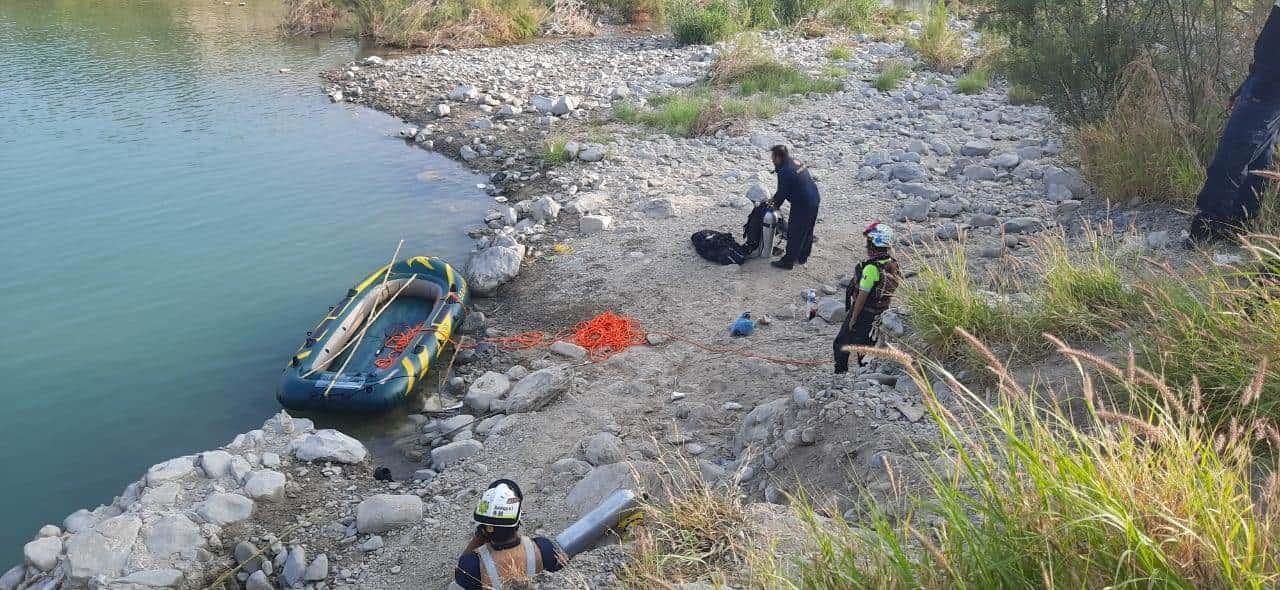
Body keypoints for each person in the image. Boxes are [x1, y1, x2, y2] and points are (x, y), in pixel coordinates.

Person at [1189, 0, 1280, 243]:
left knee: (1234, 151)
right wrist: (1249, 82)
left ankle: (1209, 229)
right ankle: (1239, 227)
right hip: (1265, 79)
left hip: (1270, 84)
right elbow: (1272, 44)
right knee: (1259, 159)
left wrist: (1260, 83)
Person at [451, 480, 566, 590]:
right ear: (517, 520)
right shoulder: (543, 548)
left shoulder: (472, 566)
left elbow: (460, 573)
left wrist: (480, 536)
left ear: (483, 527)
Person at [834, 223, 900, 374]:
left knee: (841, 343)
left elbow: (862, 297)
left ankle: (841, 374)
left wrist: (853, 318)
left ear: (873, 244)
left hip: (864, 312)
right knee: (867, 346)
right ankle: (866, 374)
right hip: (881, 312)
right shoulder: (892, 264)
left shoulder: (871, 268)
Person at [768, 145, 821, 269]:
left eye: (773, 157)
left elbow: (782, 192)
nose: (772, 160)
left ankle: (788, 262)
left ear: (779, 157)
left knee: (794, 232)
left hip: (802, 204)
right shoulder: (795, 162)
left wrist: (774, 206)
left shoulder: (785, 170)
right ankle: (802, 257)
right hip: (814, 198)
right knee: (807, 230)